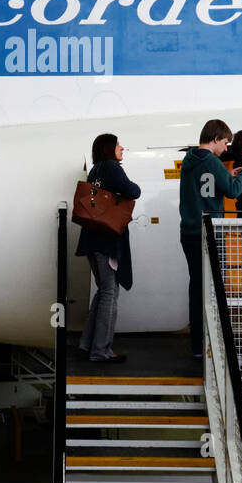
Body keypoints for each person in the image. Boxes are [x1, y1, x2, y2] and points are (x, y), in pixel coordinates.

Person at [178, 119, 242, 359]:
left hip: (188, 232)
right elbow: (232, 190)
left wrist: (225, 175)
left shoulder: (189, 160)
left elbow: (204, 185)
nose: (226, 148)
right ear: (216, 138)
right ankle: (215, 343)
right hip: (209, 233)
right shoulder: (211, 160)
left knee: (196, 287)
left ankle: (197, 345)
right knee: (212, 289)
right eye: (225, 142)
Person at [75, 133, 141, 364]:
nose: (122, 148)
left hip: (92, 239)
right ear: (109, 149)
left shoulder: (95, 170)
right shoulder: (112, 168)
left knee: (103, 291)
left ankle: (86, 344)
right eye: (118, 145)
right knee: (109, 293)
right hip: (106, 241)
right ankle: (100, 350)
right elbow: (134, 191)